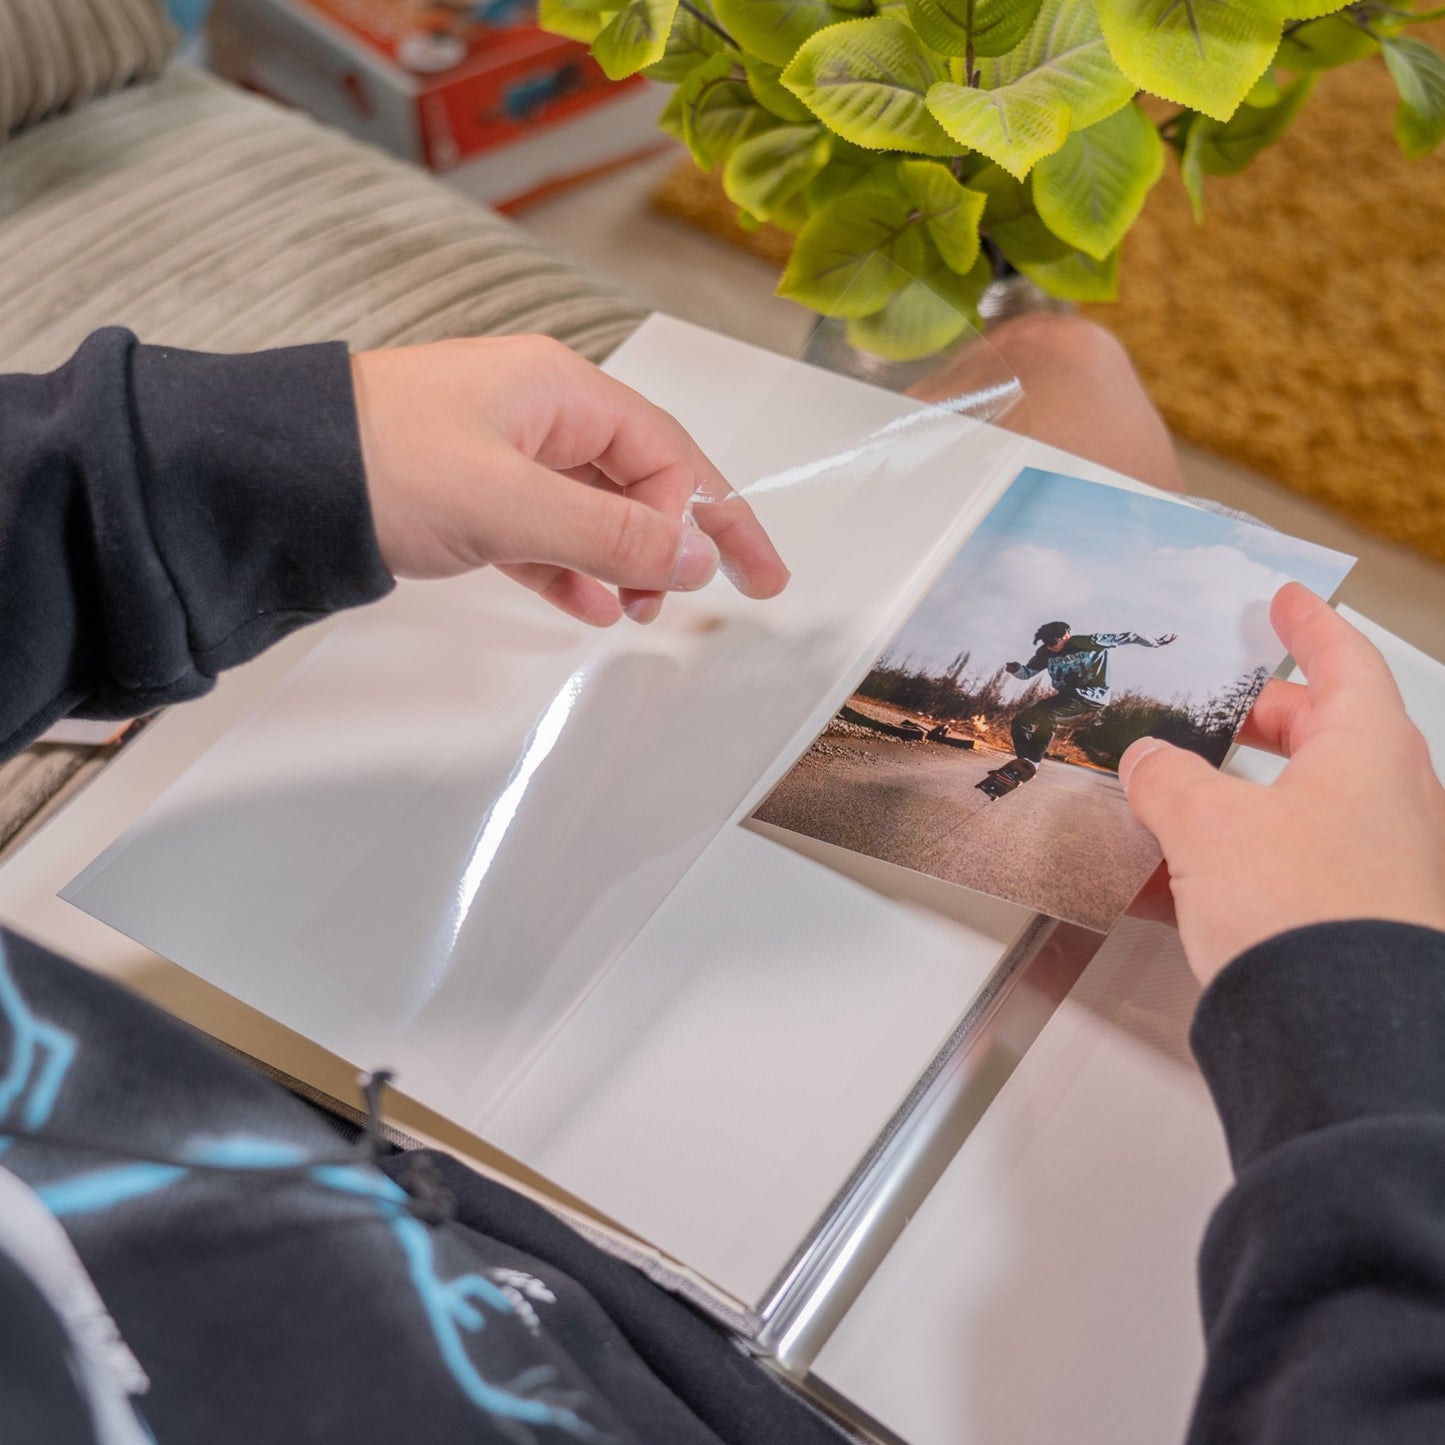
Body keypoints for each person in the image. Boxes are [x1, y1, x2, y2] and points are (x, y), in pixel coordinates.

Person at [0, 314, 1442, 1445]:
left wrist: (241, 454)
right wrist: (1367, 1017)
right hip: (756, 1288)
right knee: (1069, 372)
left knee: (1060, 369)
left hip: (413, 1170)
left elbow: (1091, 658)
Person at [1002, 620, 1178, 773]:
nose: (1051, 647)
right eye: (1047, 643)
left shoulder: (1088, 642)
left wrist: (1157, 642)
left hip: (1091, 695)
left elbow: (1129, 636)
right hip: (1066, 696)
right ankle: (1024, 765)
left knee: (1050, 715)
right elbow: (1027, 673)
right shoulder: (1045, 653)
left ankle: (1033, 761)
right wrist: (1016, 669)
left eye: (1054, 642)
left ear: (1066, 636)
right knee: (1021, 721)